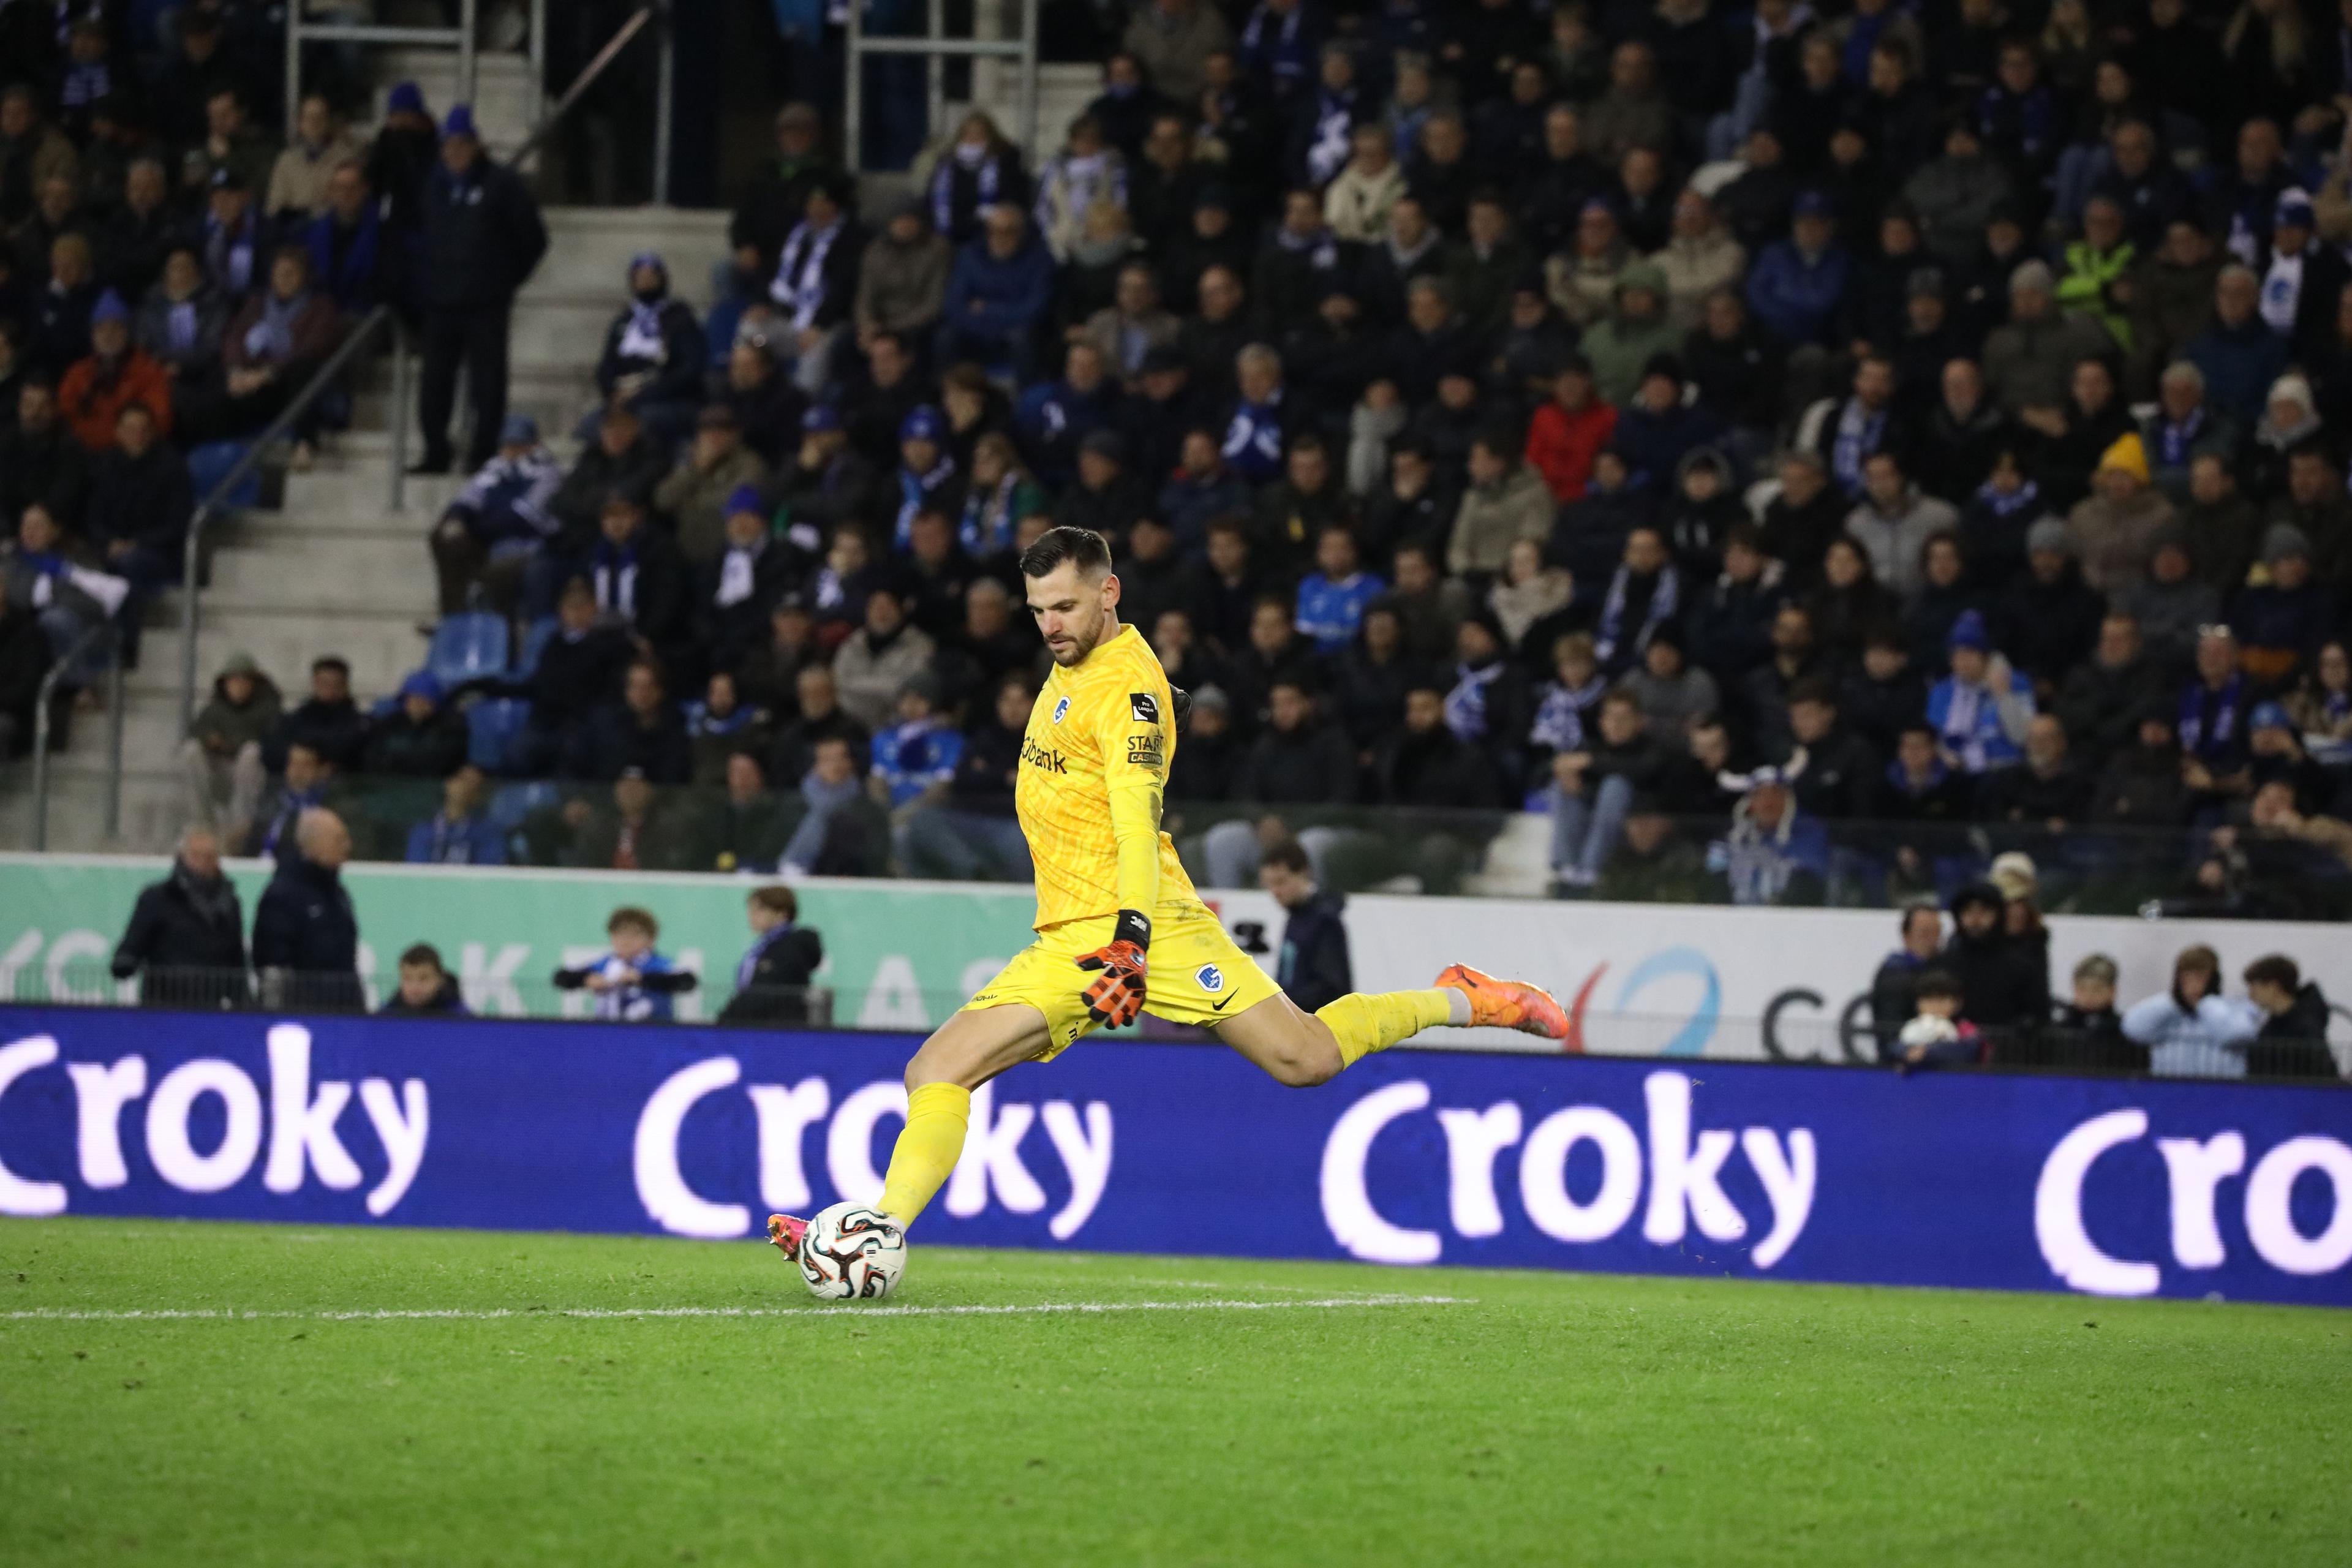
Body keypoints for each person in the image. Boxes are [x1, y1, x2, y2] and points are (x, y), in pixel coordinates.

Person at [765, 526, 1569, 1270]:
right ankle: (870, 1234)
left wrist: (1133, 937)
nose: (1051, 625)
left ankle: (1465, 1000)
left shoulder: (1128, 695)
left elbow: (1137, 821)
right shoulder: (1079, 659)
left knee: (1307, 1058)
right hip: (1065, 940)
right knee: (934, 1070)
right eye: (1039, 610)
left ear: (1109, 594)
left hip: (1146, 929)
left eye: (1068, 607)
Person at [412, 104, 549, 474]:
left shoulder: (503, 184)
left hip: (484, 303)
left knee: (487, 382)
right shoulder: (433, 185)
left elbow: (533, 239)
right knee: (435, 382)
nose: (454, 154)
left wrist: (504, 278)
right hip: (440, 302)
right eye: (448, 147)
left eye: (461, 145)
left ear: (476, 145)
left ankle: (483, 451)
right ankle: (436, 450)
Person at [110, 826, 247, 1009]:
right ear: (184, 857)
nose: (203, 863)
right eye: (196, 855)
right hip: (164, 1006)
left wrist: (244, 1001)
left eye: (210, 856)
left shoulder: (229, 904)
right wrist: (126, 960)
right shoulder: (157, 898)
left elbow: (235, 959)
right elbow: (136, 940)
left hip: (211, 1008)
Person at [251, 808, 363, 1012]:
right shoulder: (283, 895)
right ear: (314, 845)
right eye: (339, 839)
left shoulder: (338, 894)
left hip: (342, 1016)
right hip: (303, 1016)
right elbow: (273, 966)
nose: (348, 846)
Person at [2122, 943, 2261, 1078]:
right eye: (2187, 978)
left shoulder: (2235, 1006)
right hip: (2171, 1092)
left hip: (2222, 1094)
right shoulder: (2166, 1012)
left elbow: (2238, 1035)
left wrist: (2206, 1003)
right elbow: (2132, 1028)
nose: (2193, 985)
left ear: (2213, 979)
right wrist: (2175, 1001)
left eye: (2200, 978)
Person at [552, 907, 698, 1022]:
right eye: (620, 934)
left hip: (651, 1034)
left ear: (651, 939)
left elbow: (687, 980)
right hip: (607, 1034)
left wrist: (641, 979)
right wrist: (586, 980)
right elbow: (562, 977)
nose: (626, 941)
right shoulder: (605, 964)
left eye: (634, 935)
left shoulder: (658, 964)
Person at [1259, 838, 1351, 1014]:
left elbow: (1331, 989)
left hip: (1317, 1029)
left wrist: (1282, 1005)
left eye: (1281, 882)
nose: (1275, 892)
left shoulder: (1324, 921)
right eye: (1269, 884)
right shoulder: (1295, 916)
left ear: (1304, 873)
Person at [719, 884, 827, 1026]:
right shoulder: (765, 948)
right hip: (758, 1029)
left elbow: (762, 995)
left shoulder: (789, 950)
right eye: (751, 910)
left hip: (778, 1032)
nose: (752, 916)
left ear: (781, 913)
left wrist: (726, 1019)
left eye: (760, 910)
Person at [2241, 954, 2338, 1079]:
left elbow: (2324, 1072)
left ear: (2274, 986)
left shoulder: (2307, 1026)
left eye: (2255, 987)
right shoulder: (2269, 1027)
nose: (2251, 994)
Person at [1869, 904, 1944, 1059]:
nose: (1932, 939)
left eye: (1936, 932)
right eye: (1924, 933)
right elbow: (1889, 1029)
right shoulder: (1894, 975)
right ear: (1907, 936)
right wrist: (1904, 1052)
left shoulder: (1944, 968)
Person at [380, 944, 467, 1016]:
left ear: (440, 979)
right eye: (408, 978)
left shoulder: (463, 1020)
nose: (415, 987)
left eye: (424, 979)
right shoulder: (384, 1017)